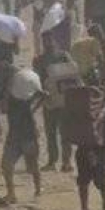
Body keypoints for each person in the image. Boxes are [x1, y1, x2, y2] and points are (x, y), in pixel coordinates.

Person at [34, 39, 80, 172]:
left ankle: (58, 162)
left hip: (54, 101)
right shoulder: (61, 56)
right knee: (59, 133)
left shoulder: (45, 59)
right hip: (60, 100)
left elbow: (38, 80)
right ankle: (61, 162)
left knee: (55, 133)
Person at [1, 68, 44, 204]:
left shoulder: (23, 98)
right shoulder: (23, 98)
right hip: (20, 136)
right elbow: (4, 109)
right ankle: (13, 193)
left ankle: (37, 190)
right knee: (8, 165)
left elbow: (3, 108)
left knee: (31, 166)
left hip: (23, 135)